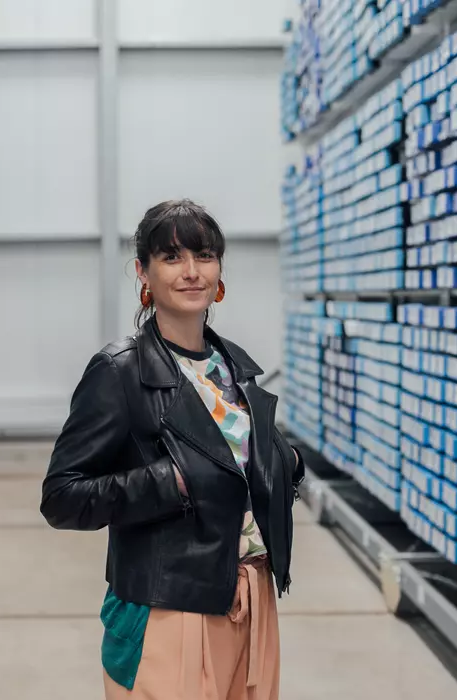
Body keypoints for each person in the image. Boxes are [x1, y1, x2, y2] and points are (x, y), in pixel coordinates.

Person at [40, 199, 304, 700]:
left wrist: (288, 463)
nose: (191, 272)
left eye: (203, 256)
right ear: (144, 271)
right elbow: (62, 496)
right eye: (172, 257)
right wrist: (170, 481)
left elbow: (237, 461)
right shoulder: (119, 372)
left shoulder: (232, 368)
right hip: (167, 606)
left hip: (251, 596)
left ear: (220, 270)